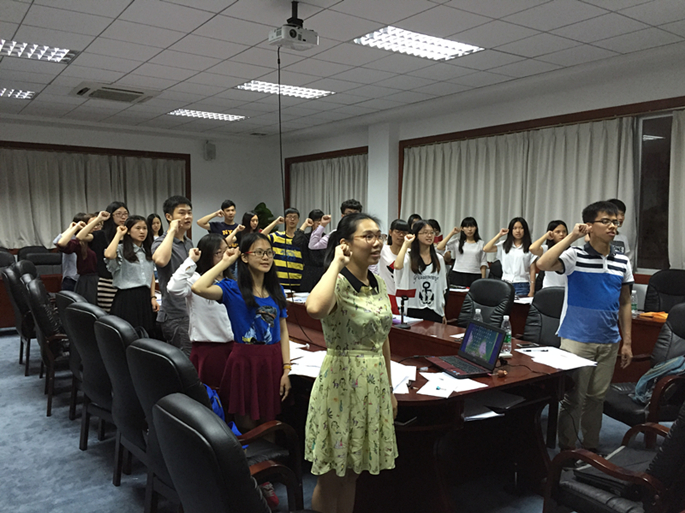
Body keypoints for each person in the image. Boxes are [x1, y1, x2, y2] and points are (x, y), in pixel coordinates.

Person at [304, 213, 398, 513]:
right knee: (332, 475)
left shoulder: (378, 283)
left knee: (353, 472)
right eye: (368, 236)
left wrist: (389, 389)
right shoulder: (337, 281)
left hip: (373, 386)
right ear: (345, 243)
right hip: (341, 386)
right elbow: (314, 308)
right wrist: (336, 263)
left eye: (379, 236)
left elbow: (383, 337)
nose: (376, 242)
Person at [537, 201, 633, 453]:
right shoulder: (575, 255)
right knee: (574, 398)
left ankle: (590, 448)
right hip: (577, 340)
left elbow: (625, 302)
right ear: (589, 225)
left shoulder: (622, 262)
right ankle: (568, 450)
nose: (613, 226)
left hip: (609, 340)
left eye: (615, 222)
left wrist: (627, 342)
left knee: (597, 398)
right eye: (606, 221)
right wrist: (572, 236)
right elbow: (543, 264)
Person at [191, 232, 291, 433]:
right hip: (244, 360)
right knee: (246, 424)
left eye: (269, 253)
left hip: (271, 361)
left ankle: (268, 453)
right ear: (244, 257)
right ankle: (249, 453)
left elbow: (283, 331)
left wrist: (286, 369)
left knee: (269, 422)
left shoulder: (276, 289)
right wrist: (226, 262)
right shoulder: (232, 288)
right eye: (259, 252)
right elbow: (198, 287)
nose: (265, 257)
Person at [167, 234, 234, 401]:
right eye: (219, 253)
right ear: (208, 254)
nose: (225, 256)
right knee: (212, 399)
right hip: (209, 349)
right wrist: (191, 260)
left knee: (231, 396)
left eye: (227, 251)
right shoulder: (196, 280)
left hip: (232, 348)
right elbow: (173, 288)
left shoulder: (231, 281)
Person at [152, 196, 194, 356]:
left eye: (189, 212)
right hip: (175, 314)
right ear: (169, 217)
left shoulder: (188, 243)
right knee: (184, 360)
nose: (187, 217)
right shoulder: (161, 242)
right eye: (182, 213)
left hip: (190, 310)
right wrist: (171, 231)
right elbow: (160, 260)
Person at [104, 215, 158, 334]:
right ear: (128, 231)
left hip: (145, 297)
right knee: (128, 334)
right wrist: (119, 234)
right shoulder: (121, 249)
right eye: (138, 228)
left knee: (146, 333)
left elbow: (151, 275)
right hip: (127, 298)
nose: (142, 232)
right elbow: (108, 255)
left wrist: (153, 297)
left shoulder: (148, 251)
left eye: (144, 228)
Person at [76, 202, 129, 312]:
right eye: (119, 214)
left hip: (126, 282)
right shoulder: (101, 234)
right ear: (111, 216)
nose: (123, 217)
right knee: (109, 316)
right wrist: (99, 219)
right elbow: (80, 236)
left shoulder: (129, 235)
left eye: (125, 214)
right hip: (107, 282)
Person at [394, 220, 448, 323]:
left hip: (434, 310)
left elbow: (441, 288)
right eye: (425, 232)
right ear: (416, 235)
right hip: (413, 308)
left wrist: (443, 312)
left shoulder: (439, 259)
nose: (429, 235)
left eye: (431, 232)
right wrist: (406, 243)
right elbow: (397, 266)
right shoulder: (408, 257)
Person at [483, 217, 536, 297]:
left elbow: (532, 270)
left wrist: (532, 291)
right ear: (511, 230)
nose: (518, 231)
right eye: (515, 228)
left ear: (525, 230)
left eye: (521, 228)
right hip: (505, 283)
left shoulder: (530, 247)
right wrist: (499, 235)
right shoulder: (504, 245)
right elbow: (486, 249)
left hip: (522, 284)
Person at [56, 215, 99, 304]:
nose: (95, 227)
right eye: (91, 224)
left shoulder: (102, 239)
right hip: (81, 280)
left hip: (100, 281)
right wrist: (74, 228)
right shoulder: (79, 242)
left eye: (98, 224)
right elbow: (59, 242)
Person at [437, 217, 488, 287]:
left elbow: (483, 263)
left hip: (475, 274)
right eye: (466, 227)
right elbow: (439, 247)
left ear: (476, 228)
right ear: (462, 228)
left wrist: (483, 280)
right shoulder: (457, 242)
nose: (469, 229)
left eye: (472, 226)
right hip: (458, 273)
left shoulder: (481, 243)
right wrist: (452, 233)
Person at [268, 207, 309, 292]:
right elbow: (260, 237)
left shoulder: (302, 239)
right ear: (285, 219)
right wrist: (275, 222)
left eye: (295, 217)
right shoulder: (276, 236)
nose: (292, 219)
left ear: (298, 220)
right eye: (289, 217)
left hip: (297, 281)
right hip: (278, 281)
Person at [378, 219, 409, 314]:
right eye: (397, 232)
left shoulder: (410, 254)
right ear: (390, 232)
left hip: (404, 296)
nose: (401, 235)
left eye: (404, 233)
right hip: (386, 294)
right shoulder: (383, 250)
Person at [53, 212, 89, 291]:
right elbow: (56, 242)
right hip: (71, 278)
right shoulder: (70, 237)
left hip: (85, 279)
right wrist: (71, 228)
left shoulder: (89, 238)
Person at [294, 209, 328, 292]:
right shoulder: (306, 237)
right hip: (308, 273)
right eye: (317, 221)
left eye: (321, 221)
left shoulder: (326, 238)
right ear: (312, 222)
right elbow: (296, 242)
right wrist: (305, 225)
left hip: (323, 272)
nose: (319, 224)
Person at [530, 220, 569, 289]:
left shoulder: (570, 251)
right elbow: (532, 248)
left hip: (566, 287)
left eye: (564, 231)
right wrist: (545, 236)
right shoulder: (546, 249)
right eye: (558, 232)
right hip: (548, 287)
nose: (561, 234)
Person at [607, 198, 632, 263]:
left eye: (622, 214)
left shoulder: (623, 238)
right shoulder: (600, 235)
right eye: (618, 214)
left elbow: (627, 259)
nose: (621, 218)